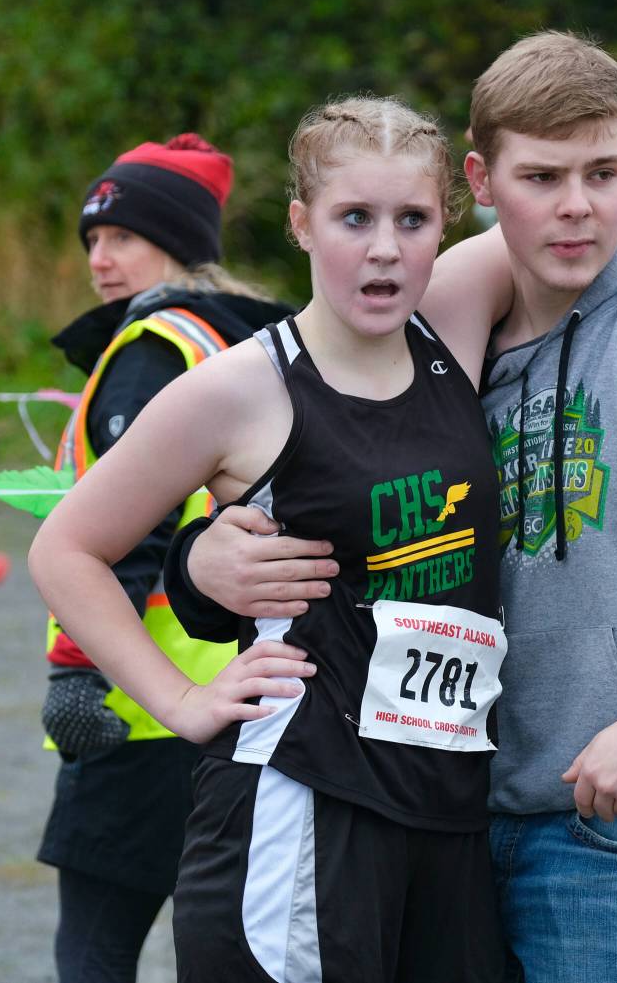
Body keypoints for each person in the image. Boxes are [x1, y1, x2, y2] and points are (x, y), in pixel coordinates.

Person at [166, 33, 617, 983]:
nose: (576, 205)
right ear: (485, 185)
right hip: (453, 817)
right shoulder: (440, 320)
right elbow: (330, 503)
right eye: (542, 179)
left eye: (603, 176)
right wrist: (197, 564)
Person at [32, 96, 518, 982]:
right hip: (301, 806)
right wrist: (181, 701)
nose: (384, 248)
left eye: (412, 219)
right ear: (301, 224)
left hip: (447, 810)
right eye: (354, 218)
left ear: (448, 221)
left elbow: (599, 179)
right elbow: (64, 550)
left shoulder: (451, 326)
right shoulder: (240, 387)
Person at [35, 133, 297, 983]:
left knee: (94, 953)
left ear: (178, 243)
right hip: (239, 693)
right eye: (91, 242)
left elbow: (126, 530)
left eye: (122, 238)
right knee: (222, 946)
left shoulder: (152, 348)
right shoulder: (242, 340)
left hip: (137, 700)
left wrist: (75, 670)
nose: (101, 260)